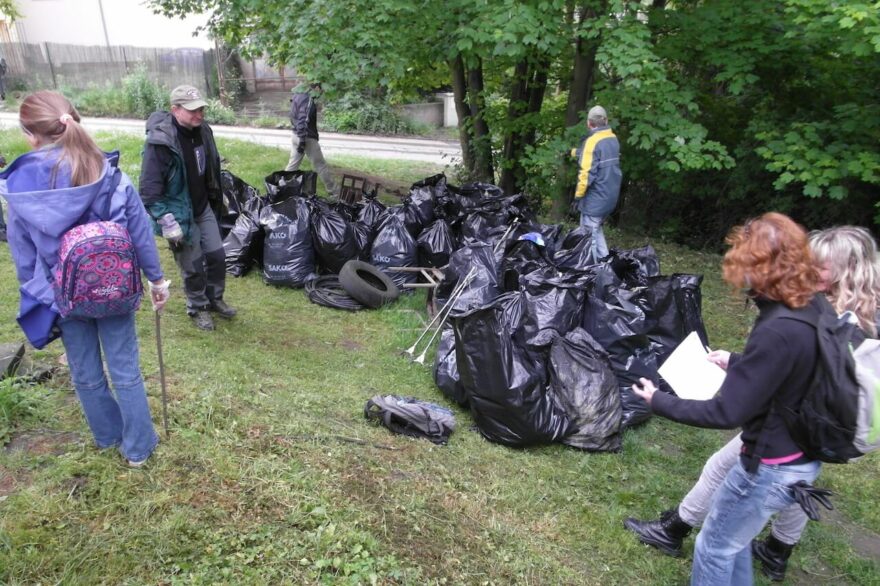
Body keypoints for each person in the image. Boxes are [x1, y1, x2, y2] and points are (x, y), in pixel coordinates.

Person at [623, 225, 880, 581]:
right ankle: (767, 548)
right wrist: (742, 364)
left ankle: (675, 529)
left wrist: (658, 401)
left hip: (772, 457)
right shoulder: (822, 314)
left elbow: (728, 411)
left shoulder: (796, 322)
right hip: (800, 448)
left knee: (715, 545)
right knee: (736, 538)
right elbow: (792, 370)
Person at [1, 91, 170, 467]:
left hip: (63, 294)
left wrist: (47, 297)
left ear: (30, 135)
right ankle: (139, 448)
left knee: (85, 372)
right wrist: (156, 280)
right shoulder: (109, 175)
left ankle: (108, 437)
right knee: (125, 368)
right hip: (115, 290)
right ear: (73, 120)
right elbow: (140, 234)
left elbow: (25, 260)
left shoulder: (20, 192)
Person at [139, 84, 236, 331]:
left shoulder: (203, 130)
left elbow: (209, 165)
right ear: (175, 110)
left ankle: (215, 299)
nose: (199, 114)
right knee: (193, 266)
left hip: (202, 207)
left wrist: (218, 192)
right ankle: (198, 307)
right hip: (178, 214)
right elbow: (149, 192)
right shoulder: (159, 142)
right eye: (192, 110)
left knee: (216, 256)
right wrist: (167, 222)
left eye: (201, 109)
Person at [571, 104, 621, 260]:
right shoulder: (612, 138)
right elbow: (595, 155)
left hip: (596, 198)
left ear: (588, 123)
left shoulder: (592, 142)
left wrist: (578, 197)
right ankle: (605, 262)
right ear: (605, 120)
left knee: (588, 236)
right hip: (610, 195)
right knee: (596, 229)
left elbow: (586, 175)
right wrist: (572, 152)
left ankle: (593, 272)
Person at [284, 81, 337, 196]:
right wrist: (302, 141)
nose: (321, 92)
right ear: (316, 87)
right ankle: (334, 193)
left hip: (296, 135)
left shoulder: (297, 95)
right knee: (321, 165)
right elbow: (303, 120)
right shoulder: (307, 99)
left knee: (292, 165)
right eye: (320, 89)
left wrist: (299, 137)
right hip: (306, 138)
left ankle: (281, 189)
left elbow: (292, 116)